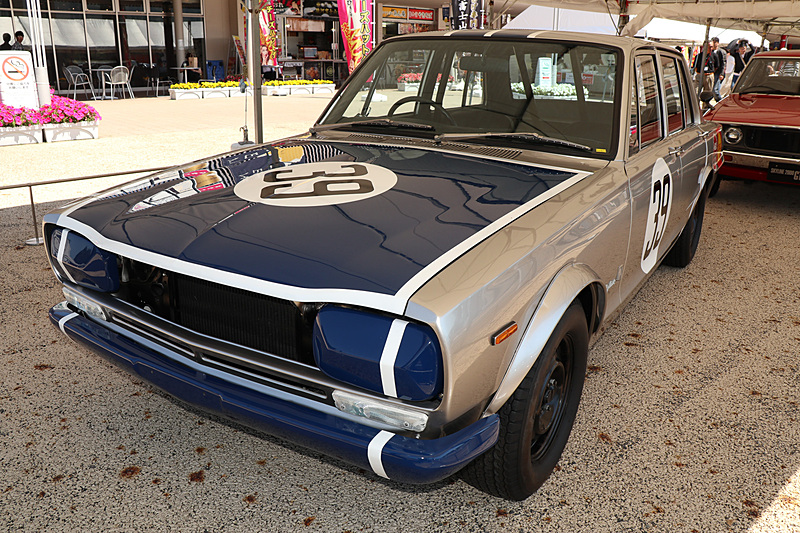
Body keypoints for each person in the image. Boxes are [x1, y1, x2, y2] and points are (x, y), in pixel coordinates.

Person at [692, 43, 719, 109]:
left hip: (709, 76)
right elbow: (695, 67)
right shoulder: (699, 56)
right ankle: (695, 107)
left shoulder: (714, 55)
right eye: (709, 47)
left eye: (711, 47)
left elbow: (716, 66)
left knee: (707, 94)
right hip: (699, 76)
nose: (710, 48)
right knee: (695, 92)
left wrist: (710, 73)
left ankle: (705, 108)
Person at [711, 37, 726, 103]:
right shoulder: (710, 51)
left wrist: (722, 73)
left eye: (715, 42)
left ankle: (720, 101)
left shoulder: (721, 52)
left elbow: (723, 63)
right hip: (711, 72)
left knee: (715, 89)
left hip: (718, 72)